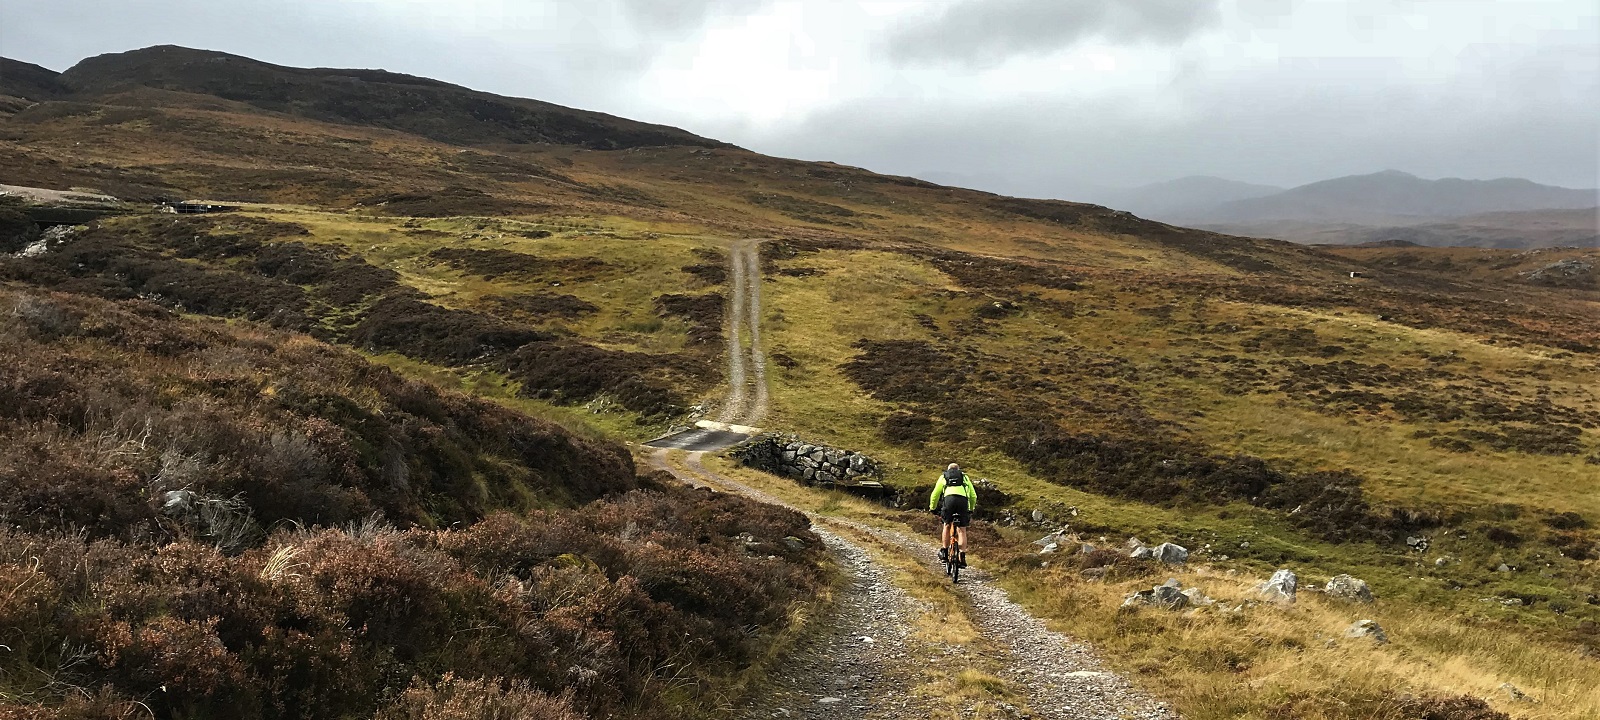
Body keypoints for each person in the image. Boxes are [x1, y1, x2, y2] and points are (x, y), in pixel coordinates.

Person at [929, 463, 977, 567]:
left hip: (949, 500)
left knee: (946, 525)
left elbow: (935, 494)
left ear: (948, 469)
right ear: (958, 470)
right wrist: (971, 509)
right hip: (962, 502)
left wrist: (932, 508)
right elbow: (973, 495)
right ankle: (962, 556)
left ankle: (945, 552)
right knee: (962, 530)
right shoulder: (964, 477)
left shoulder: (944, 476)